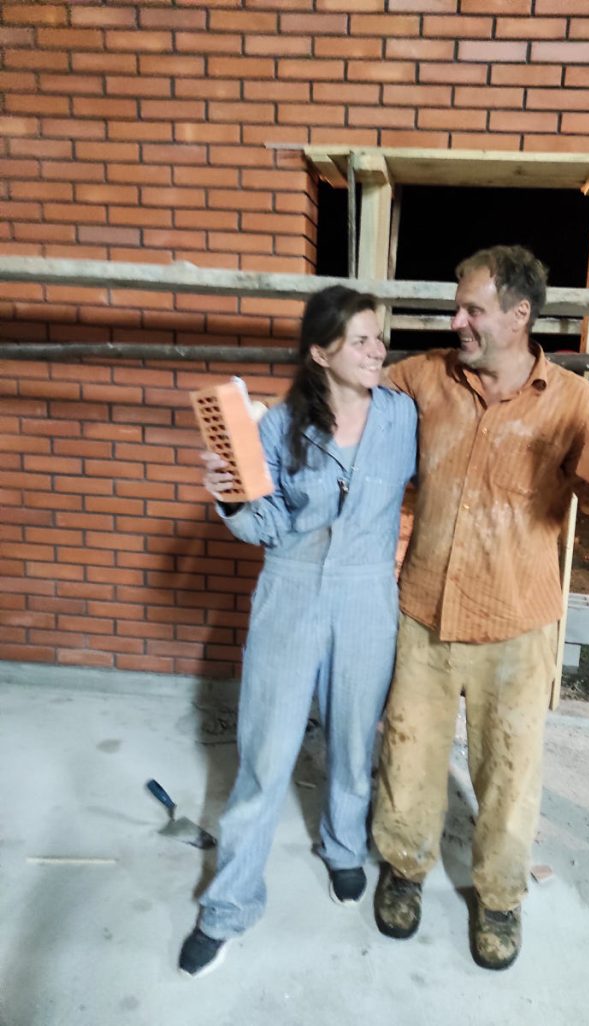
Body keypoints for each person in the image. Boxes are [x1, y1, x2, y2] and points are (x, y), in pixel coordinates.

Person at [371, 245, 589, 971]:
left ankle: (499, 897)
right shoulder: (425, 377)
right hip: (425, 610)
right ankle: (403, 868)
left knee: (509, 771)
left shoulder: (572, 401)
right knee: (407, 755)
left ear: (518, 314)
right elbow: (353, 400)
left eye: (472, 308)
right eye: (458, 307)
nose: (457, 320)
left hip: (517, 621)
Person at [179, 285, 417, 978]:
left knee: (351, 741)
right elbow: (268, 528)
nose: (378, 350)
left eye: (380, 338)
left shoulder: (403, 417)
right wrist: (231, 494)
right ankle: (228, 906)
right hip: (289, 592)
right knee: (264, 755)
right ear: (321, 351)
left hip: (369, 596)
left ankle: (344, 848)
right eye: (363, 339)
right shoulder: (278, 427)